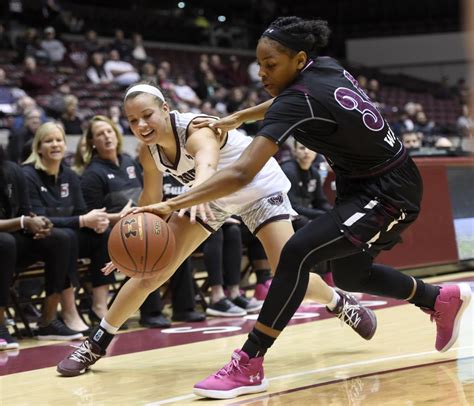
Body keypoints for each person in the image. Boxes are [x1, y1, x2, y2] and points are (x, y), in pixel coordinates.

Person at [119, 18, 471, 399]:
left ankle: (249, 363)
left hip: (388, 191)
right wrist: (240, 117)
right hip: (366, 182)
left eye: (271, 64)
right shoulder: (324, 68)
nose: (261, 72)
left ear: (298, 59)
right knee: (351, 275)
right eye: (259, 63)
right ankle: (438, 299)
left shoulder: (296, 101)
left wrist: (172, 203)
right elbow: (287, 102)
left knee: (296, 254)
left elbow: (239, 173)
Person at [56, 82, 375, 377]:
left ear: (166, 109)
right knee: (149, 272)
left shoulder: (196, 130)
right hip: (210, 196)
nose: (140, 125)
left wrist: (198, 189)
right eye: (132, 120)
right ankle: (95, 344)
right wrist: (129, 242)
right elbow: (150, 201)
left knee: (287, 274)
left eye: (147, 115)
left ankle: (337, 301)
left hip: (255, 186)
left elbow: (206, 164)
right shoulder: (147, 150)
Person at [22, 122, 111, 333]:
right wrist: (82, 221)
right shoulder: (28, 175)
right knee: (67, 236)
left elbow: (80, 212)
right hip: (37, 240)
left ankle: (100, 306)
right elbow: (38, 218)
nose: (55, 145)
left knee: (102, 235)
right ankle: (69, 312)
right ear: (38, 147)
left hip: (65, 237)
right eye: (48, 141)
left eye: (59, 140)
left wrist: (95, 223)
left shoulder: (69, 175)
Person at [0, 145, 83, 343]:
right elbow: (21, 221)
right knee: (5, 242)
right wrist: (23, 222)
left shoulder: (12, 170)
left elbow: (26, 211)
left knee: (60, 239)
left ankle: (48, 321)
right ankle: (0, 325)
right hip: (5, 244)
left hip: (13, 242)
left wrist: (39, 224)